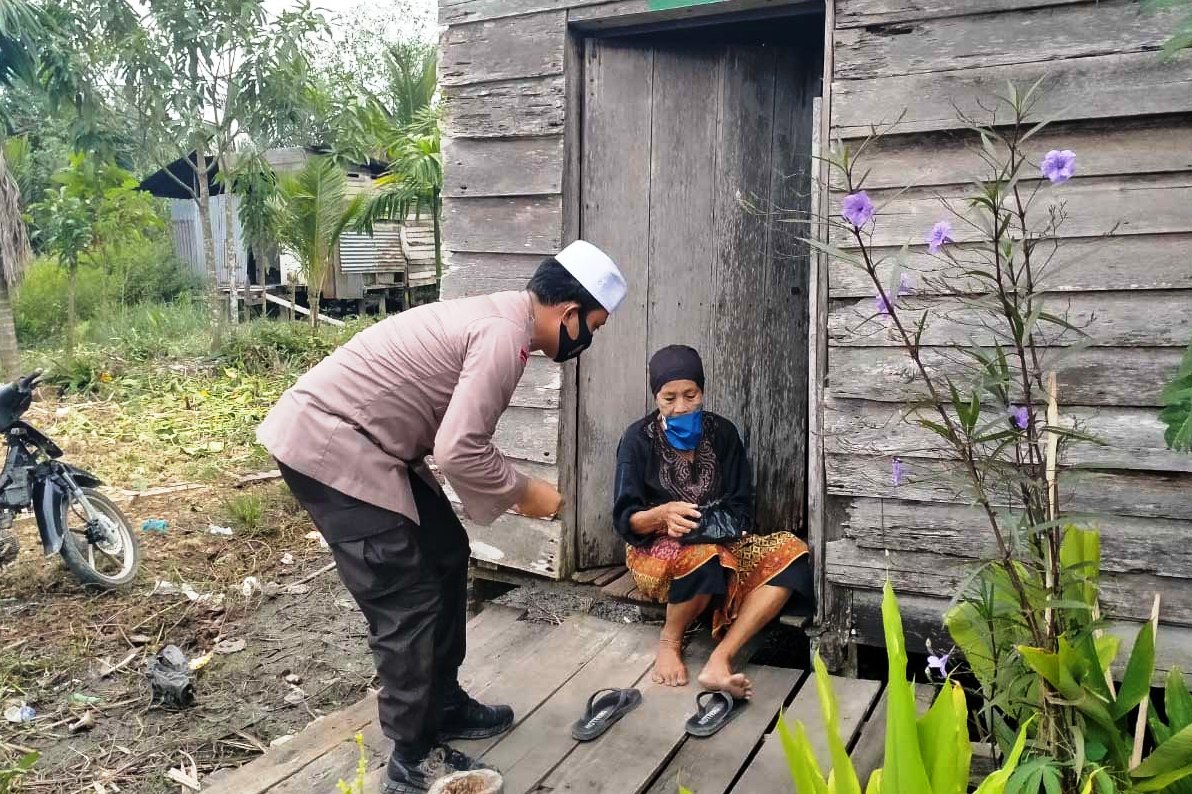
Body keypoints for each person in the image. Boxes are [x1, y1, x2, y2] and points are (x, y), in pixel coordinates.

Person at [257, 241, 627, 794]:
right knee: (406, 595)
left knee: (446, 553)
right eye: (591, 328)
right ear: (569, 313)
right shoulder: (504, 336)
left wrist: (509, 491)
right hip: (332, 444)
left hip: (374, 446)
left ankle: (444, 701)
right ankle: (412, 755)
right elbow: (458, 450)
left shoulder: (504, 320)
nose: (586, 342)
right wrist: (525, 492)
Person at [612, 345, 812, 700]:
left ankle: (721, 658)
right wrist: (661, 515)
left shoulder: (723, 434)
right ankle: (670, 642)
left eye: (690, 395)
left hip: (725, 541)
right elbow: (627, 520)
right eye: (668, 398)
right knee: (703, 556)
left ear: (702, 391)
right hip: (656, 550)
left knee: (792, 552)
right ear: (656, 397)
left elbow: (740, 505)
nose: (681, 407)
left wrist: (714, 526)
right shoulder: (637, 440)